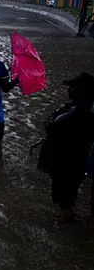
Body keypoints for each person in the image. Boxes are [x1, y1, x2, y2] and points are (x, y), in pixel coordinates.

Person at [36, 72, 94, 224]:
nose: (68, 90)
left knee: (64, 196)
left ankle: (65, 225)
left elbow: (52, 126)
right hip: (74, 160)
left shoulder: (75, 114)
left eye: (73, 87)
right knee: (68, 194)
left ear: (83, 91)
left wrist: (57, 115)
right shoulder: (82, 110)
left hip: (66, 161)